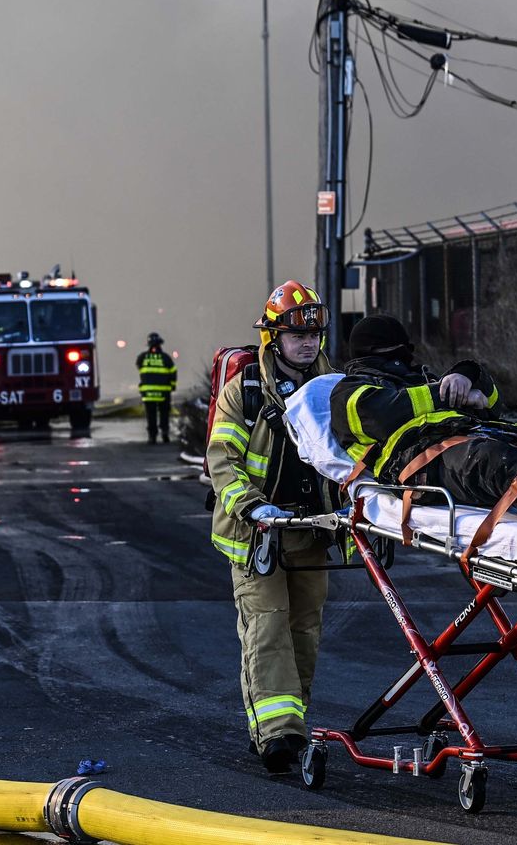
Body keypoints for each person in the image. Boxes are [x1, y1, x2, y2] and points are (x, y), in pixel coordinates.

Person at [207, 281, 335, 774]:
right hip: (256, 533)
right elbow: (223, 460)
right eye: (295, 335)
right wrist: (253, 507)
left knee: (304, 629)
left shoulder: (334, 387)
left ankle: (292, 723)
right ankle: (276, 735)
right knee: (268, 627)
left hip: (312, 529)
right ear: (272, 338)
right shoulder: (245, 391)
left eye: (314, 335)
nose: (307, 343)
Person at [327, 314, 517, 532]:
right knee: (494, 462)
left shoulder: (419, 378)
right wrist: (446, 393)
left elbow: (494, 406)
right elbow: (384, 414)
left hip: (466, 443)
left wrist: (467, 374)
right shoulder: (349, 390)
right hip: (419, 464)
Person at [136, 333, 178, 445]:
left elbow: (140, 368)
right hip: (164, 393)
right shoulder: (166, 358)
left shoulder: (142, 358)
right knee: (164, 413)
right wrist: (172, 385)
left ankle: (152, 436)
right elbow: (173, 372)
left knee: (151, 414)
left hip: (148, 393)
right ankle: (165, 433)